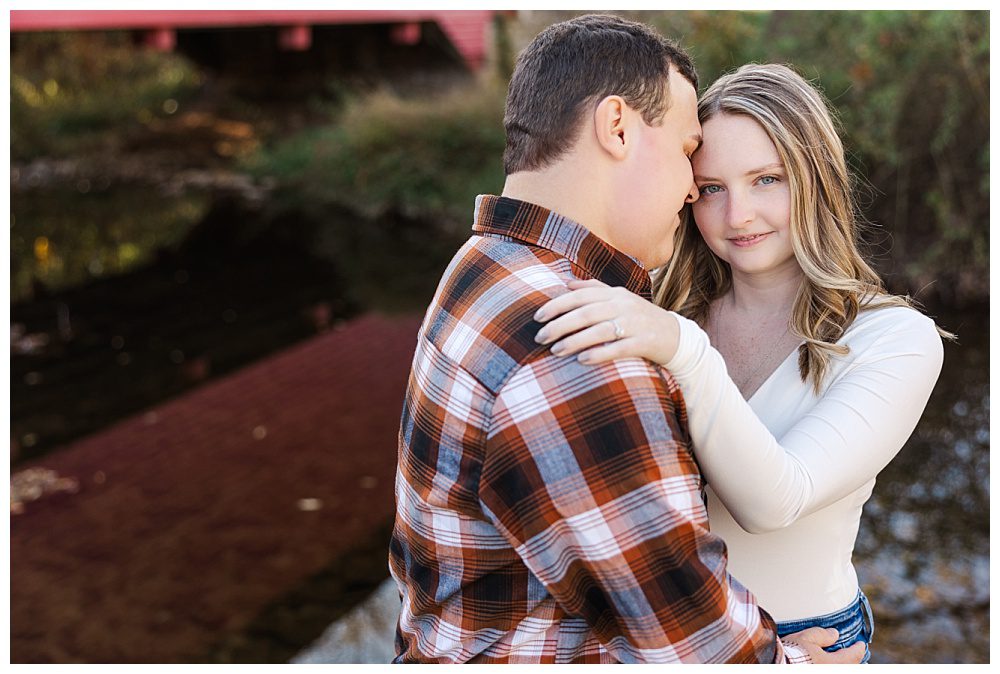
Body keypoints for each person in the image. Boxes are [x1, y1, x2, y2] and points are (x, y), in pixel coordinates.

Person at [389, 16, 864, 664]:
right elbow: (697, 644)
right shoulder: (580, 345)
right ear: (617, 128)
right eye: (686, 148)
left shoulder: (484, 265)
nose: (694, 184)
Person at [534, 62, 947, 663]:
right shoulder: (662, 308)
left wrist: (685, 351)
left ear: (815, 178)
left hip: (802, 643)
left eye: (767, 179)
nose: (738, 216)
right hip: (656, 639)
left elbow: (774, 501)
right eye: (712, 188)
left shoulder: (894, 338)